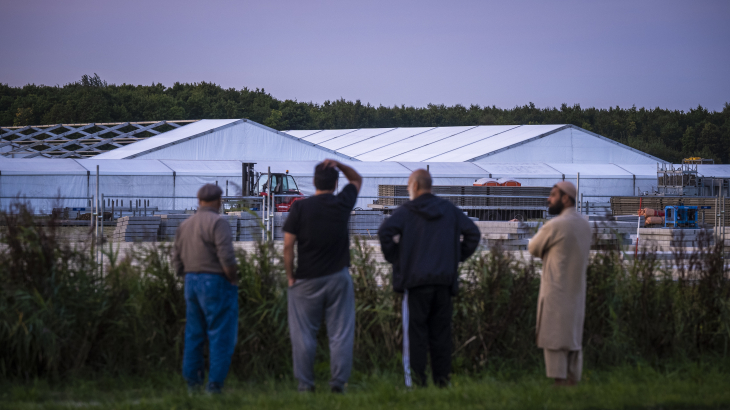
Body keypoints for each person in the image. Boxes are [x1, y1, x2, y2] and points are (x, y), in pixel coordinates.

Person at [378, 169, 481, 388]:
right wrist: (456, 257)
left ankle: (416, 383)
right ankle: (443, 382)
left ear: (414, 186)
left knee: (415, 336)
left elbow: (385, 232)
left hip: (415, 283)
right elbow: (473, 233)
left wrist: (398, 258)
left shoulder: (407, 211)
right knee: (441, 336)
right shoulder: (449, 209)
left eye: (408, 186)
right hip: (443, 282)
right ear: (429, 185)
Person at [283, 159, 362, 393]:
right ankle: (338, 384)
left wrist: (290, 277)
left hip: (306, 279)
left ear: (314, 181)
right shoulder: (342, 203)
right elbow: (357, 179)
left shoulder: (300, 208)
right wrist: (339, 163)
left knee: (304, 334)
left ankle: (305, 385)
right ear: (337, 183)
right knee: (340, 334)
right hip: (338, 277)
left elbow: (288, 246)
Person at [173, 183, 239, 394]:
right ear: (218, 201)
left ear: (199, 200)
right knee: (220, 334)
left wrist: (186, 276)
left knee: (194, 334)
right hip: (215, 281)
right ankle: (214, 385)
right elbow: (226, 257)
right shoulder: (218, 223)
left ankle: (192, 383)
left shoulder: (185, 225)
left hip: (190, 281)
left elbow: (176, 260)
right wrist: (233, 278)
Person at [527, 181, 591, 387]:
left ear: (565, 198)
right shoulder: (585, 225)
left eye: (553, 195)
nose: (549, 199)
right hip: (577, 291)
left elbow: (533, 247)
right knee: (572, 338)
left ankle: (559, 382)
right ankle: (573, 381)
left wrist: (546, 250)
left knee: (554, 338)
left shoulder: (555, 225)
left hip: (555, 291)